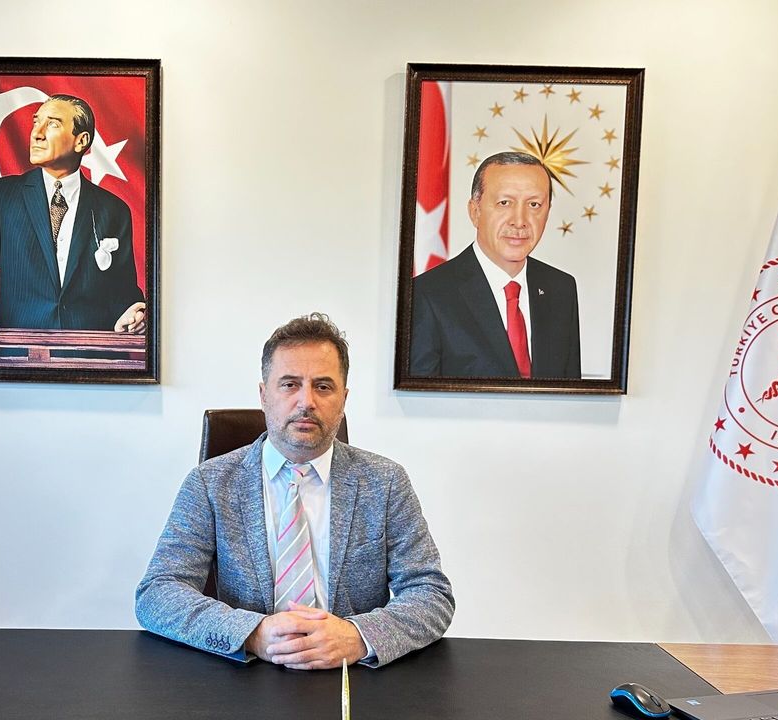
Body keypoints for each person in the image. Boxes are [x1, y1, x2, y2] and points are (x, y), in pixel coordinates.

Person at [135, 313, 454, 669]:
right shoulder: (210, 483)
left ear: (344, 398)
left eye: (323, 386)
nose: (306, 402)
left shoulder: (386, 482)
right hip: (247, 674)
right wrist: (252, 633)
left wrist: (358, 637)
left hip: (351, 676)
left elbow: (431, 594)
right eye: (289, 384)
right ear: (264, 395)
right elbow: (157, 593)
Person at [0, 94, 146, 353]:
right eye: (35, 122)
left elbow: (122, 290)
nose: (36, 133)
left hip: (90, 358)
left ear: (81, 140)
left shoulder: (114, 209)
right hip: (16, 356)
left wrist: (133, 312)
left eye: (52, 124)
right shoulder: (0, 196)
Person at [410, 151, 581, 379]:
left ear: (548, 212)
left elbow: (570, 394)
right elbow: (419, 397)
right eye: (504, 203)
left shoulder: (561, 288)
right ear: (475, 212)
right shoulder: (427, 294)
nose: (519, 221)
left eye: (534, 204)